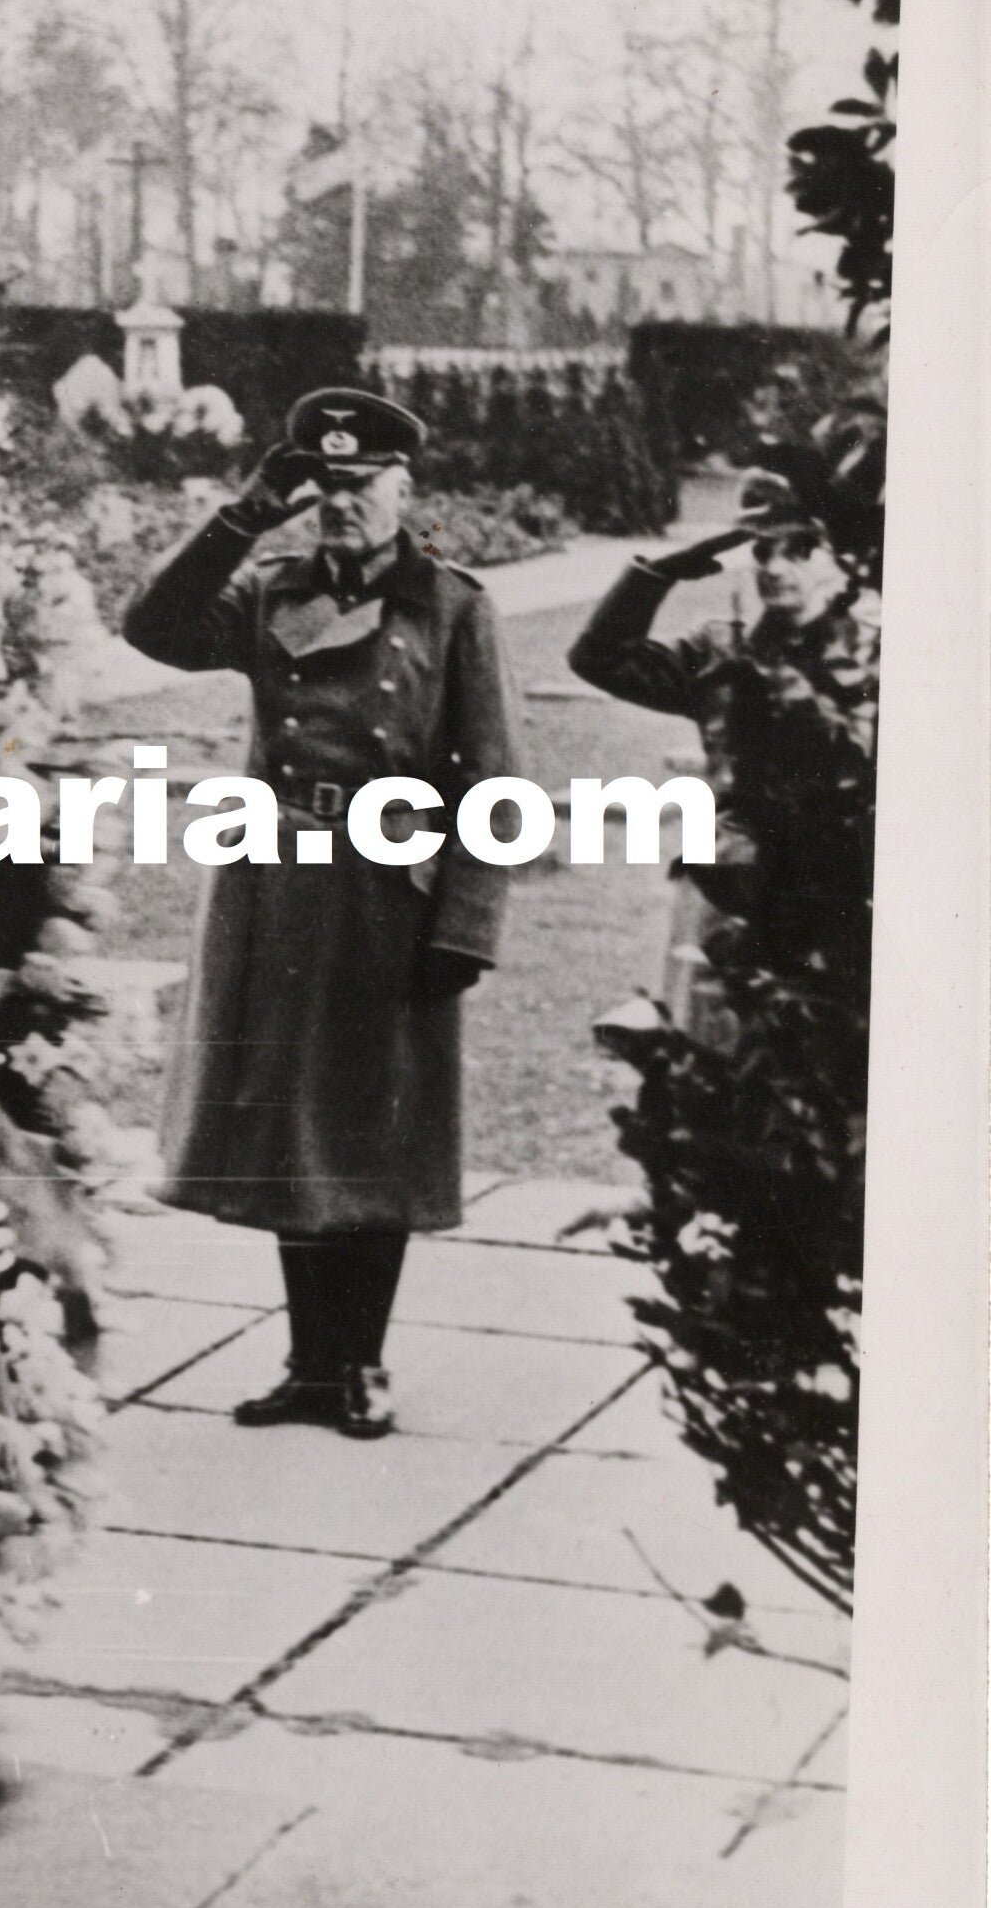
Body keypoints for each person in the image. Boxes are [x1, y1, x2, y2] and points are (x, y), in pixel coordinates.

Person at [123, 387, 522, 1438]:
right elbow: (151, 625)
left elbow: (493, 777)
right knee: (290, 1129)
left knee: (372, 1128)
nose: (343, 502)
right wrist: (246, 513)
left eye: (363, 483)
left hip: (389, 891)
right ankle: (309, 1362)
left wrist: (466, 927)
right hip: (274, 885)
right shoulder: (270, 586)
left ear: (405, 485)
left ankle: (362, 1365)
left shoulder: (452, 604)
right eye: (326, 484)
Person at [567, 447, 868, 1048]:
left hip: (840, 912)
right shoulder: (722, 653)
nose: (776, 567)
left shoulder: (882, 661)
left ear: (841, 559)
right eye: (763, 550)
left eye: (800, 548)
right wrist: (656, 576)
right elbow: (598, 659)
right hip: (732, 907)